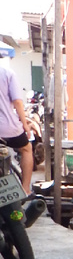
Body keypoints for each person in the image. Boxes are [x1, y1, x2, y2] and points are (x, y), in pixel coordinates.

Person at [0, 63, 34, 192]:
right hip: (7, 128)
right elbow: (17, 101)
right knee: (26, 149)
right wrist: (25, 124)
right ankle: (25, 189)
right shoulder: (7, 73)